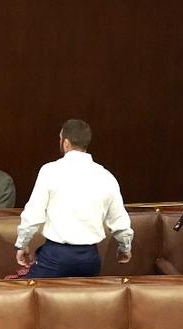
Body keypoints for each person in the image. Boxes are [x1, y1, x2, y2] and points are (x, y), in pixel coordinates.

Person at [15, 119, 133, 278]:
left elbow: (33, 214)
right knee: (83, 303)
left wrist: (22, 244)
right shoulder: (106, 176)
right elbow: (119, 220)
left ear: (65, 142)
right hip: (90, 259)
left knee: (23, 296)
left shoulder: (50, 171)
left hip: (55, 257)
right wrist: (125, 248)